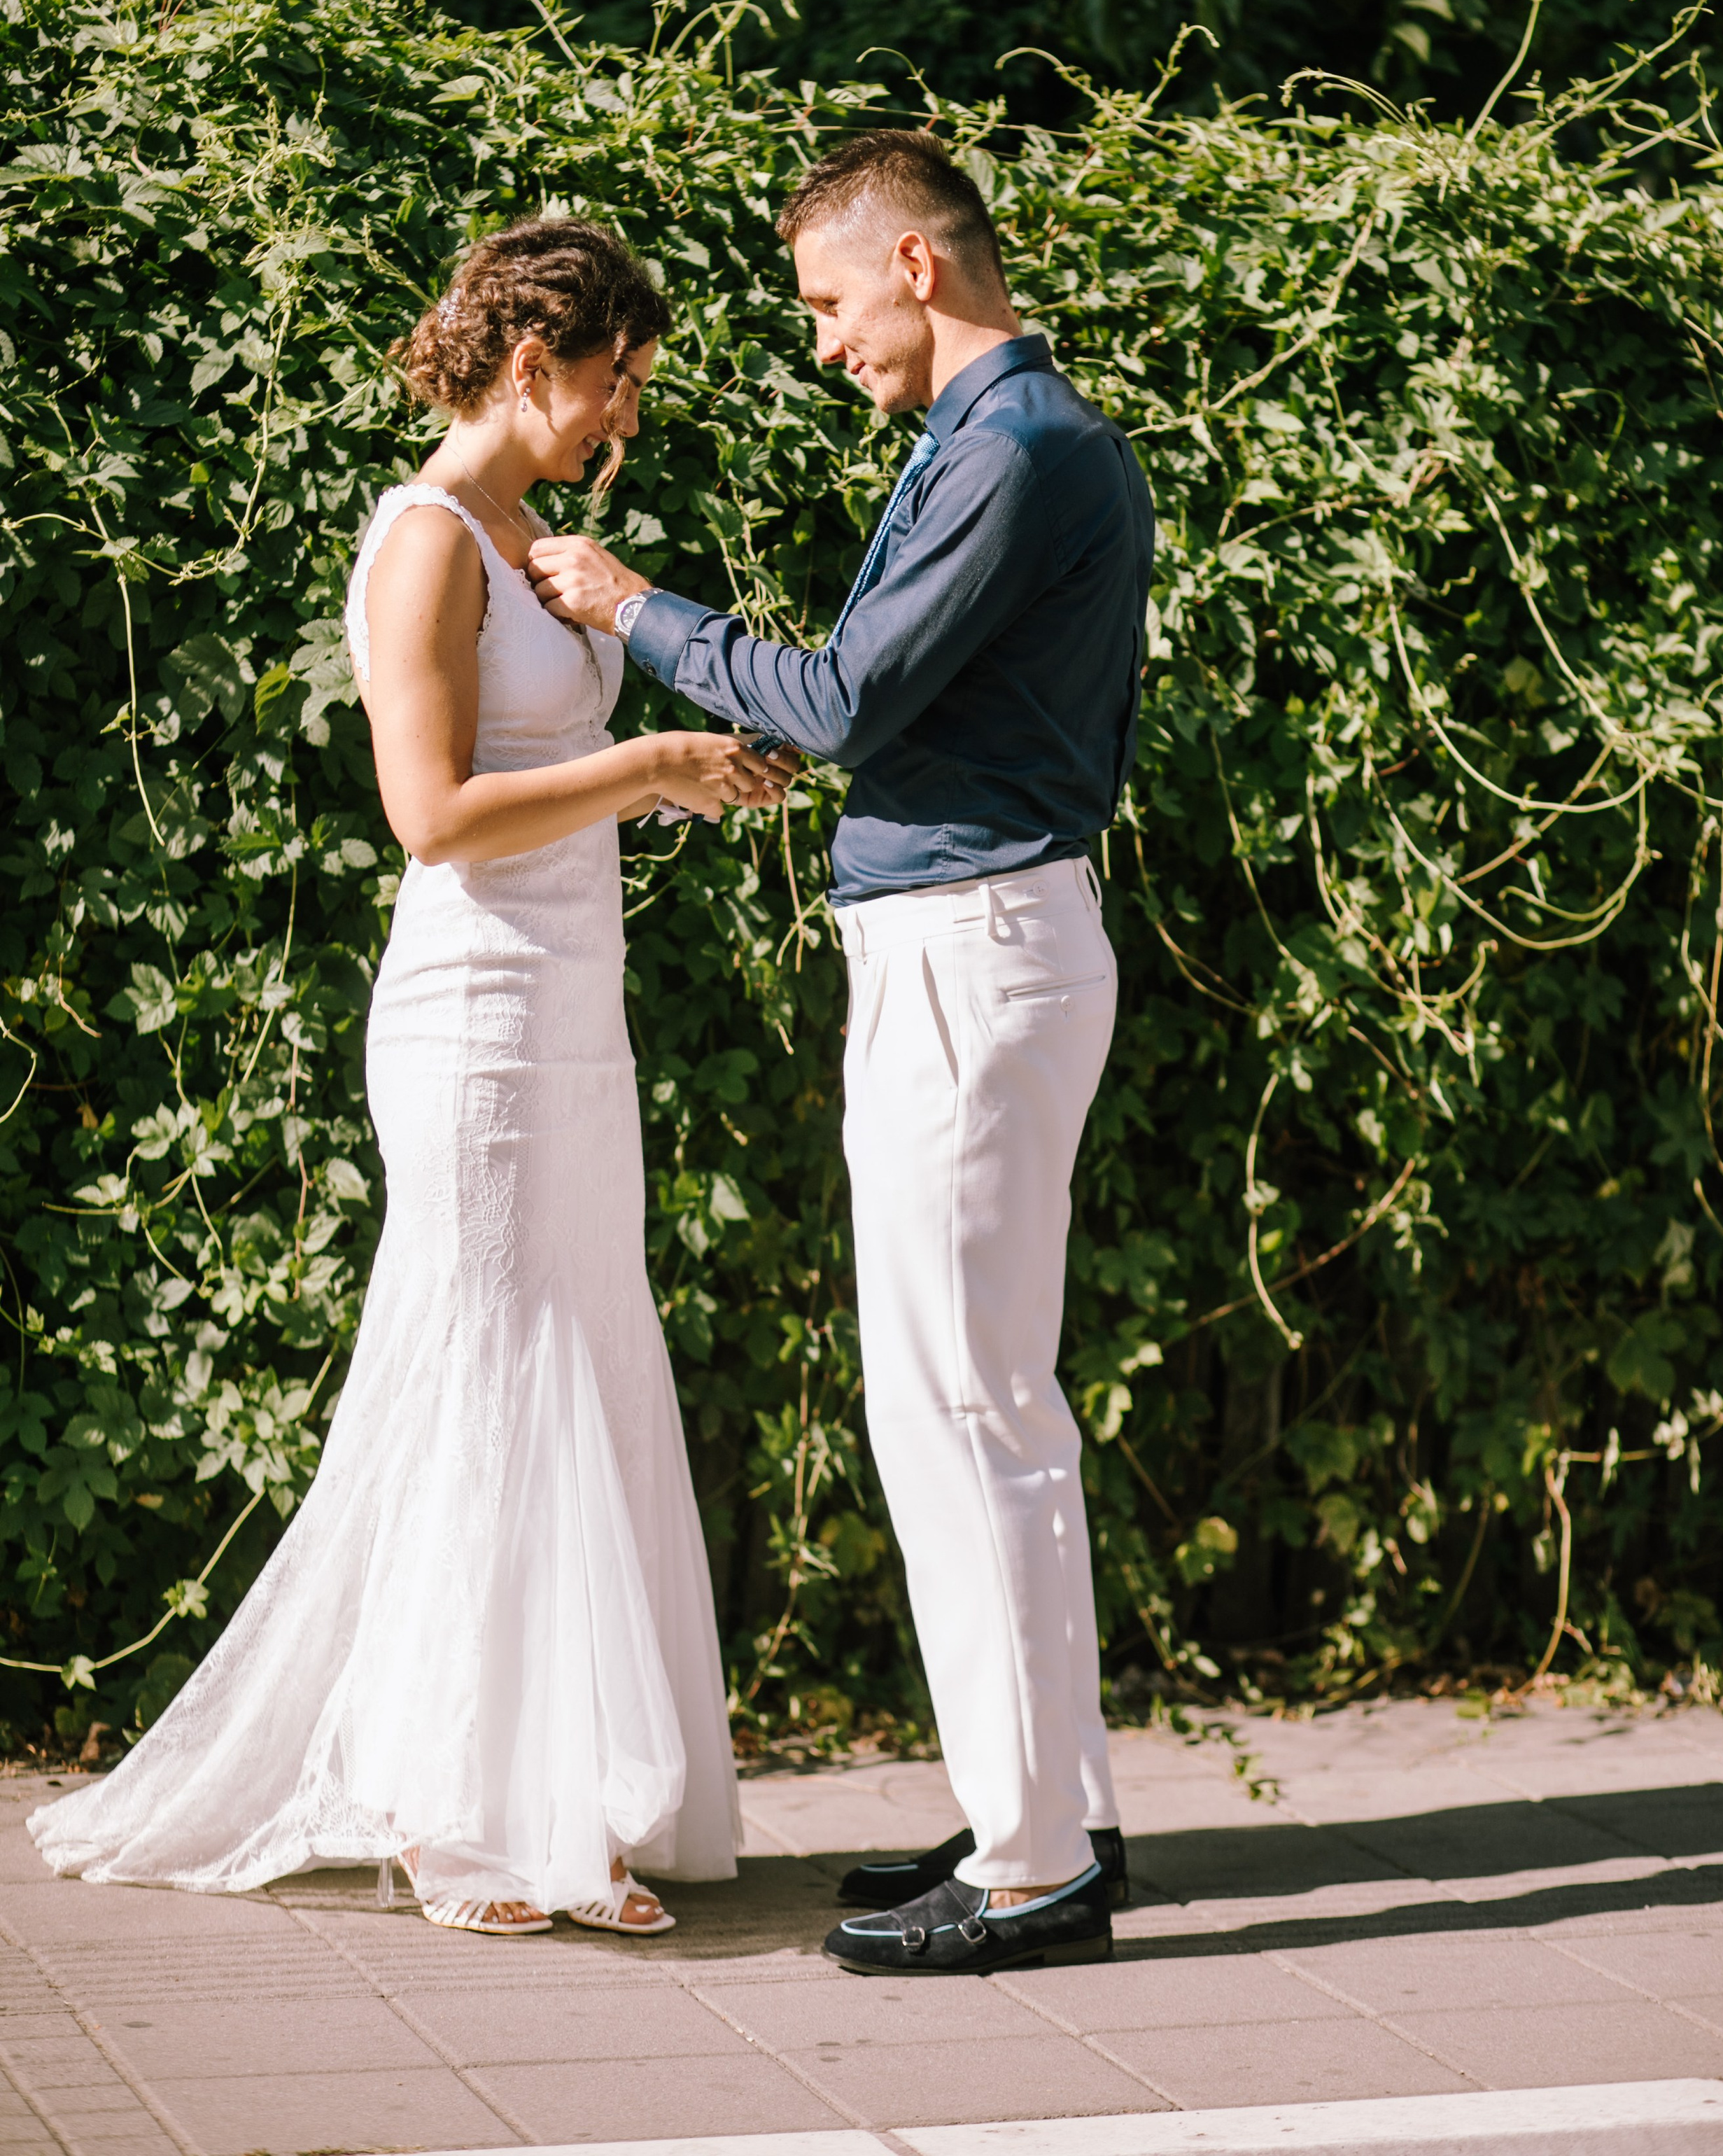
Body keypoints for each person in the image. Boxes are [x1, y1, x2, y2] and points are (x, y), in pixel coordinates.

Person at [30, 218, 789, 1936]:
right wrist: (645, 761)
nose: (625, 419)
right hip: (472, 1020)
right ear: (533, 366)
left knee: (583, 1360)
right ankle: (459, 1815)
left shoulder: (538, 540)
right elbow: (432, 815)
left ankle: (562, 1797)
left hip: (577, 1013)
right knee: (486, 1370)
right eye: (615, 384)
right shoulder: (425, 539)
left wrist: (664, 744)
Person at [527, 134, 1155, 1977]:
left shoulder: (1014, 449)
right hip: (986, 940)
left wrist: (636, 610)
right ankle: (1050, 1814)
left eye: (823, 302)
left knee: (960, 1412)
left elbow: (848, 696)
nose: (819, 344)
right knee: (988, 1406)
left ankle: (1036, 1868)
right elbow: (888, 698)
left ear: (914, 265)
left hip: (972, 952)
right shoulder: (1014, 446)